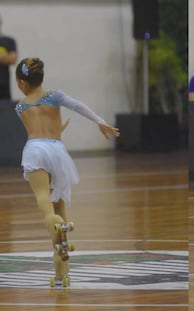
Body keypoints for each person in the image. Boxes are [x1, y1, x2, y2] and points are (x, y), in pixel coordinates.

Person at [15, 57, 119, 287]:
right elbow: (78, 106)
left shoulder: (20, 107)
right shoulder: (55, 96)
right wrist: (100, 122)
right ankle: (62, 272)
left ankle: (51, 220)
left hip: (35, 149)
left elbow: (36, 131)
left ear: (22, 84)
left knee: (43, 197)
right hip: (57, 150)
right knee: (59, 203)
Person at [0, 15, 17, 100]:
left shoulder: (9, 41)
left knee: (5, 110)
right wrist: (4, 57)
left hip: (4, 85)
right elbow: (9, 58)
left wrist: (7, 58)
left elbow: (13, 59)